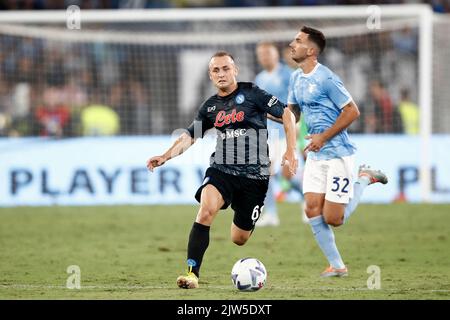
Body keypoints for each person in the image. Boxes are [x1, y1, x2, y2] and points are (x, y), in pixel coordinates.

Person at [146, 51, 298, 289]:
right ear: (210, 75)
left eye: (226, 68)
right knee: (205, 210)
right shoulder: (209, 107)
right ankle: (192, 274)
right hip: (222, 169)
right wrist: (166, 156)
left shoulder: (253, 93)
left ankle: (247, 219)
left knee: (239, 239)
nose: (221, 74)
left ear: (235, 70)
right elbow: (190, 136)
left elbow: (287, 113)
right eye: (216, 70)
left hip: (255, 177)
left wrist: (290, 150)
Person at [287, 26, 388, 277]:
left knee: (334, 219)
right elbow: (292, 114)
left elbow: (352, 110)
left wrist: (323, 136)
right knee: (311, 208)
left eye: (298, 41)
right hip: (315, 153)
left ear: (311, 50)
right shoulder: (295, 78)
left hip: (338, 152)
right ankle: (338, 265)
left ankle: (365, 178)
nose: (292, 44)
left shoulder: (327, 78)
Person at [254, 41, 294, 227]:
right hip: (267, 132)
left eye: (268, 53)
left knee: (285, 176)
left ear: (276, 54)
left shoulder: (288, 75)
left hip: (284, 131)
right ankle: (271, 213)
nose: (265, 57)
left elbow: (296, 104)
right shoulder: (260, 78)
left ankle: (308, 203)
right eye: (261, 54)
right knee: (265, 173)